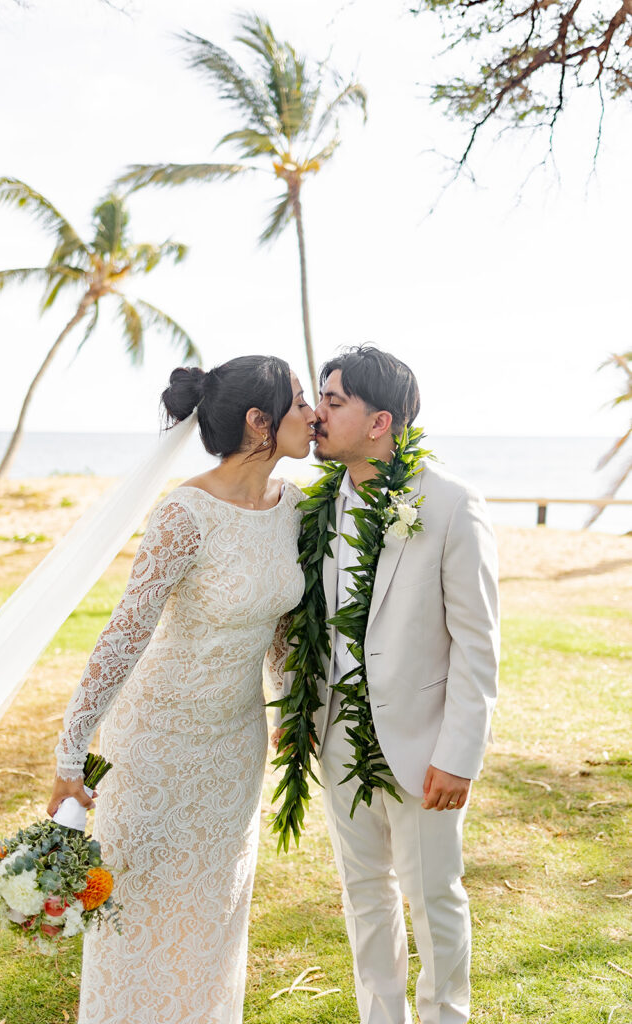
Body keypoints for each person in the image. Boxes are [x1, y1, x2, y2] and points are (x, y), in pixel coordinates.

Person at [47, 355, 316, 1024]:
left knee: (213, 916)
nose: (313, 415)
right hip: (155, 746)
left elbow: (280, 622)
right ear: (260, 423)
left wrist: (287, 704)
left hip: (234, 750)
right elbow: (123, 635)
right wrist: (69, 752)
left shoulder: (296, 509)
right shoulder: (183, 514)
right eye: (300, 402)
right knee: (134, 917)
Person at [273, 345, 500, 1024]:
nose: (317, 414)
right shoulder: (310, 510)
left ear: (381, 422)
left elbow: (477, 643)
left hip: (424, 739)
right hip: (334, 730)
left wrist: (457, 754)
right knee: (363, 893)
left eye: (334, 401)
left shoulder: (451, 503)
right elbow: (291, 620)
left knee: (433, 898)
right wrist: (292, 706)